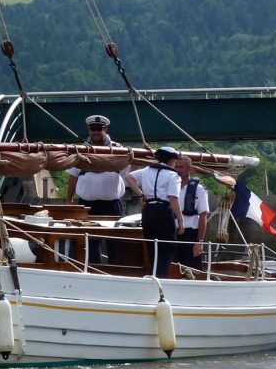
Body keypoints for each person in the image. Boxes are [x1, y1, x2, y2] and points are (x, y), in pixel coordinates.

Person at [65, 114, 126, 263]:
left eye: (99, 129)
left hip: (112, 204)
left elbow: (129, 170)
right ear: (89, 130)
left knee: (115, 241)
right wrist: (68, 200)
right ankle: (94, 271)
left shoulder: (118, 150)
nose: (96, 132)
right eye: (93, 129)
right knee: (90, 241)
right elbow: (73, 177)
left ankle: (116, 271)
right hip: (87, 205)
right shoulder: (80, 151)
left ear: (105, 129)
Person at [127, 146, 186, 277]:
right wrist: (181, 220)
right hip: (163, 210)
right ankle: (158, 276)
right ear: (171, 160)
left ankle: (153, 273)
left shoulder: (147, 170)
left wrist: (141, 195)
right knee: (169, 247)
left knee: (152, 245)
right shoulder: (173, 175)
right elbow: (173, 198)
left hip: (148, 210)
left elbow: (129, 177)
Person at [173, 155, 210, 270]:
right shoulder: (170, 187)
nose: (178, 170)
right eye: (176, 167)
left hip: (190, 234)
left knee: (192, 268)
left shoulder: (199, 190)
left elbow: (203, 216)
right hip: (171, 233)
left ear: (190, 169)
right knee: (171, 266)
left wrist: (199, 241)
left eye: (181, 167)